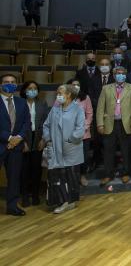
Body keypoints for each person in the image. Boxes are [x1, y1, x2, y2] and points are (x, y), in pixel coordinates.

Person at [42, 84, 85, 214]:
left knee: (70, 176)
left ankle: (70, 201)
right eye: (57, 93)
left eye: (60, 93)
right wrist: (48, 139)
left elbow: (80, 129)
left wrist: (69, 140)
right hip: (55, 148)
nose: (58, 95)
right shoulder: (55, 109)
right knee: (57, 176)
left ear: (69, 95)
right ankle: (61, 201)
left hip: (71, 149)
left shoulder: (78, 109)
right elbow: (46, 125)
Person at [96, 66, 131, 186]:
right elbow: (100, 107)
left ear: (126, 75)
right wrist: (100, 123)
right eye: (118, 73)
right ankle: (108, 174)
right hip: (109, 123)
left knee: (126, 150)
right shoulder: (106, 88)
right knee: (108, 150)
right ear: (114, 75)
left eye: (123, 73)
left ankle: (126, 173)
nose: (120, 75)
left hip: (125, 123)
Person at [1, 74, 30, 216]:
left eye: (13, 82)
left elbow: (27, 123)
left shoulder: (21, 102)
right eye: (6, 82)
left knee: (14, 177)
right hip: (1, 143)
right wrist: (9, 138)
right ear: (0, 84)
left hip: (16, 146)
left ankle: (12, 206)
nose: (10, 84)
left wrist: (18, 138)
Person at [19, 81, 49, 207]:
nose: (32, 90)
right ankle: (25, 196)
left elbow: (45, 122)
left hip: (38, 138)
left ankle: (36, 196)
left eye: (35, 88)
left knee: (36, 169)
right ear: (25, 90)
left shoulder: (42, 103)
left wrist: (43, 139)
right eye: (30, 88)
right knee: (24, 169)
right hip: (24, 138)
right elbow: (17, 124)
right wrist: (22, 142)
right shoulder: (19, 103)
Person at [67, 79, 93, 187]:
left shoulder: (85, 98)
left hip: (83, 134)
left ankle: (82, 175)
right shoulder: (62, 98)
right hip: (68, 134)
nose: (76, 87)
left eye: (78, 85)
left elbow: (89, 113)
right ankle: (72, 179)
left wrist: (84, 127)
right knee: (71, 157)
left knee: (84, 157)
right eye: (73, 85)